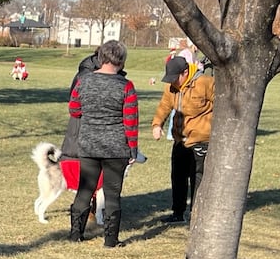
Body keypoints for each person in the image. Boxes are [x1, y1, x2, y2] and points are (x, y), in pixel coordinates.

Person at [66, 39, 139, 247]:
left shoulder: (83, 81)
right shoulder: (126, 86)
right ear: (121, 60)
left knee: (84, 190)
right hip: (117, 148)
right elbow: (130, 122)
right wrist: (132, 149)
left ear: (101, 58)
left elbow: (74, 110)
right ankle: (110, 240)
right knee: (112, 193)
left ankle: (75, 234)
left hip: (88, 145)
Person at [151, 57, 215, 223]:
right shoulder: (171, 87)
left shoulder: (205, 83)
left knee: (197, 177)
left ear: (185, 73)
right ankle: (177, 213)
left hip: (201, 139)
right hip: (180, 138)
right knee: (178, 176)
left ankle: (197, 215)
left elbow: (224, 105)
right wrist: (157, 124)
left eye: (174, 78)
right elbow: (164, 105)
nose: (172, 82)